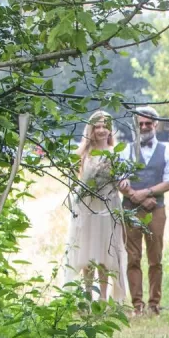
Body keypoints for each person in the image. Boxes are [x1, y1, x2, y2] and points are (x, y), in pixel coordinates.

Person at [64, 110, 130, 303]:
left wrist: (125, 183)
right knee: (87, 251)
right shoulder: (82, 154)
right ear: (91, 129)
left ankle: (103, 296)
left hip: (108, 206)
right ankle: (86, 295)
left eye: (105, 126)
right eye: (97, 126)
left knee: (105, 251)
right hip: (87, 208)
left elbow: (122, 180)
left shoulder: (116, 154)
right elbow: (74, 180)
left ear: (110, 130)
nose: (101, 130)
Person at [121, 106, 169, 316]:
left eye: (147, 123)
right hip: (130, 209)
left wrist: (146, 193)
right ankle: (137, 305)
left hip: (156, 209)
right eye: (140, 124)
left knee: (155, 258)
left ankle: (154, 303)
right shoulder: (126, 150)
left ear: (155, 125)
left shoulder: (166, 150)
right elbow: (120, 180)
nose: (144, 127)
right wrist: (134, 195)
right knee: (133, 257)